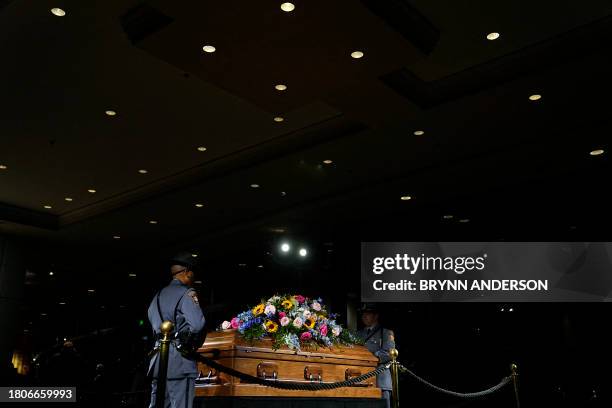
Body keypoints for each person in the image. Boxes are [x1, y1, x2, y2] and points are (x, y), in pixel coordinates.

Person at [148, 252, 206, 408]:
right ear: (186, 271)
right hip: (180, 361)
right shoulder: (187, 293)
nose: (193, 275)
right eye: (193, 271)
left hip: (158, 360)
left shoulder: (157, 296)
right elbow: (197, 325)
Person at [357, 303, 396, 408]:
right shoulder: (358, 334)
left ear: (376, 316)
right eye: (363, 314)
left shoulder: (386, 333)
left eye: (368, 314)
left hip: (380, 381)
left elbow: (388, 353)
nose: (364, 316)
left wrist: (368, 358)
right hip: (362, 381)